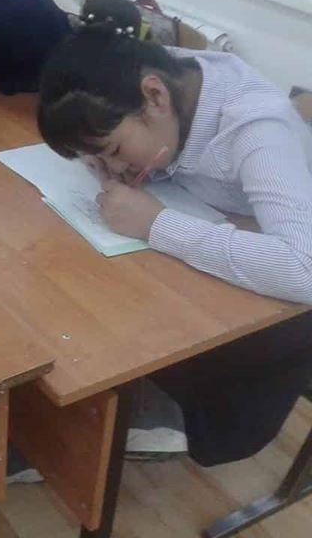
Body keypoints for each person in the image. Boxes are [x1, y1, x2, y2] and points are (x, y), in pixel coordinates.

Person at [36, 23, 312, 465]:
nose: (112, 168)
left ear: (155, 96)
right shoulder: (158, 76)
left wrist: (157, 224)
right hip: (228, 235)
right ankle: (104, 403)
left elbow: (303, 269)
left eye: (114, 150)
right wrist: (102, 157)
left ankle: (165, 415)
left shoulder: (257, 128)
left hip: (287, 302)